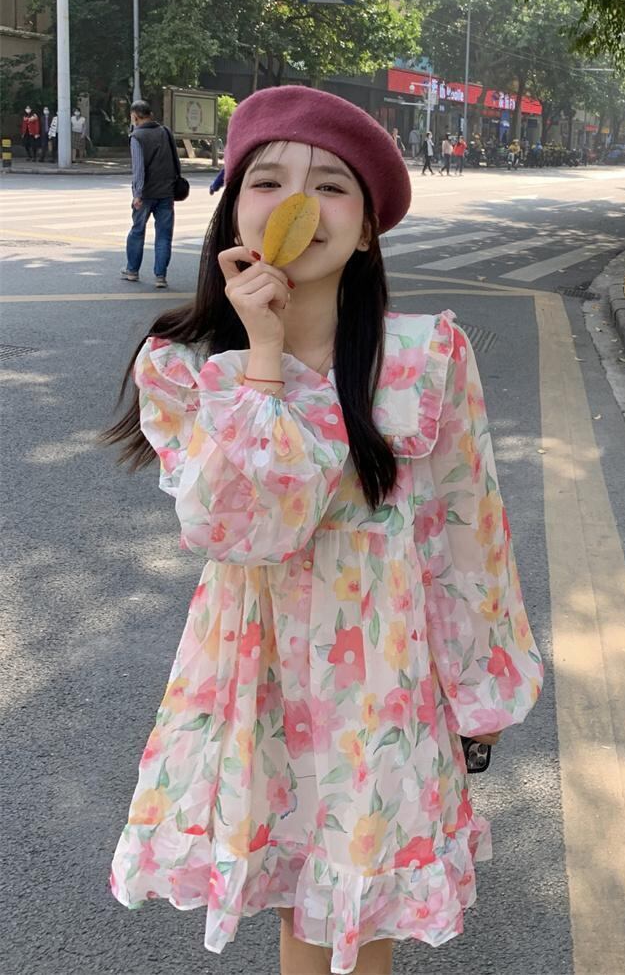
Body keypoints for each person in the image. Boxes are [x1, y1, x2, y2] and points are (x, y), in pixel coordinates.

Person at [104, 85, 543, 975]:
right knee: (295, 897)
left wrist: (482, 690)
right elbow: (238, 527)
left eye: (332, 186)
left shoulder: (425, 358)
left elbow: (470, 534)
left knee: (356, 910)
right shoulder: (185, 368)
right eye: (267, 181)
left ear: (368, 229)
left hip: (380, 682)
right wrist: (264, 356)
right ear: (234, 212)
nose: (298, 204)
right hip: (251, 673)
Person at [120, 100, 180, 289]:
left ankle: (132, 271)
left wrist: (137, 194)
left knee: (137, 231)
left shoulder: (137, 136)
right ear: (150, 114)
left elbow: (138, 168)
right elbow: (175, 162)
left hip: (145, 194)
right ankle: (160, 276)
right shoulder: (165, 132)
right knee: (164, 235)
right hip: (166, 192)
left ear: (134, 116)